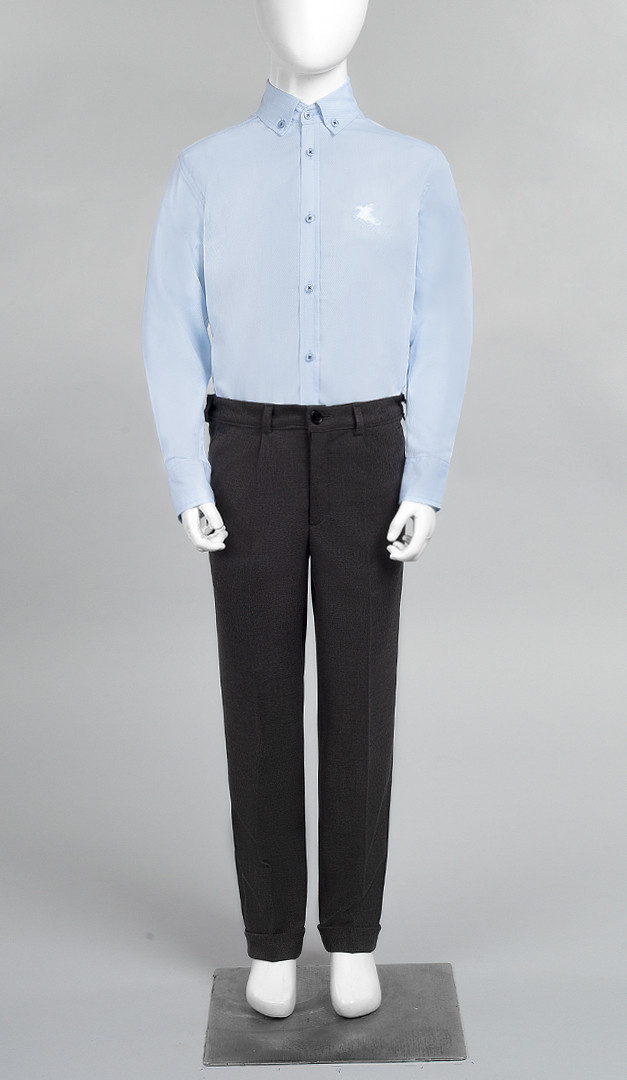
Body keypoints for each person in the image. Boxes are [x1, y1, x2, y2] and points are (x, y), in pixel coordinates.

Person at [142, 0, 472, 1020]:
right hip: (248, 445)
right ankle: (273, 942)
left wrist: (424, 477)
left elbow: (442, 325)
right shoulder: (204, 170)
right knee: (258, 694)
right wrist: (189, 475)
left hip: (371, 444)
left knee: (361, 696)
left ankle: (355, 937)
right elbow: (170, 325)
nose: (314, 10)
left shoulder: (415, 170)